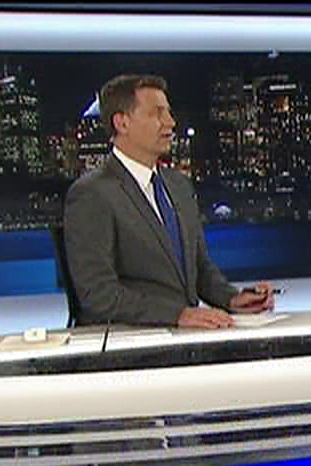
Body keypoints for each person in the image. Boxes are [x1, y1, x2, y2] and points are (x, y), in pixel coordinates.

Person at [63, 74, 274, 328]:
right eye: (157, 113)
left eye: (169, 113)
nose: (170, 122)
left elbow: (199, 269)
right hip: (130, 340)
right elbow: (98, 294)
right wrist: (178, 315)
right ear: (122, 123)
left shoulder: (179, 186)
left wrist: (232, 299)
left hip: (185, 336)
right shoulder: (92, 194)